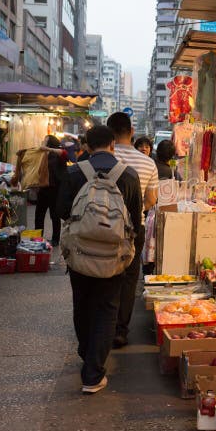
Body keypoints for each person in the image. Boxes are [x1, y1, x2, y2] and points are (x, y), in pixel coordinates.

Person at [56, 125, 142, 394]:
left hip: (80, 256)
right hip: (113, 258)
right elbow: (136, 223)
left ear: (87, 147)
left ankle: (87, 355)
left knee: (82, 305)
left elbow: (60, 211)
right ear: (113, 145)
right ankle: (93, 373)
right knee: (107, 309)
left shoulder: (73, 173)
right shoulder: (128, 175)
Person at [106, 112, 159, 348]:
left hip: (103, 225)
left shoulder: (103, 159)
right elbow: (152, 199)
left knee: (104, 275)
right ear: (132, 132)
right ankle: (120, 330)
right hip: (134, 227)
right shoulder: (148, 162)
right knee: (129, 278)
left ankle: (102, 326)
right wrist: (136, 211)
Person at [36, 135, 67, 245]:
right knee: (39, 215)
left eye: (45, 139)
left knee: (54, 215)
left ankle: (55, 239)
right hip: (43, 189)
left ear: (50, 143)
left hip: (55, 189)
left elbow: (64, 154)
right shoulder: (42, 154)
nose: (43, 140)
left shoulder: (57, 153)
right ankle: (37, 237)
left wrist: (47, 149)